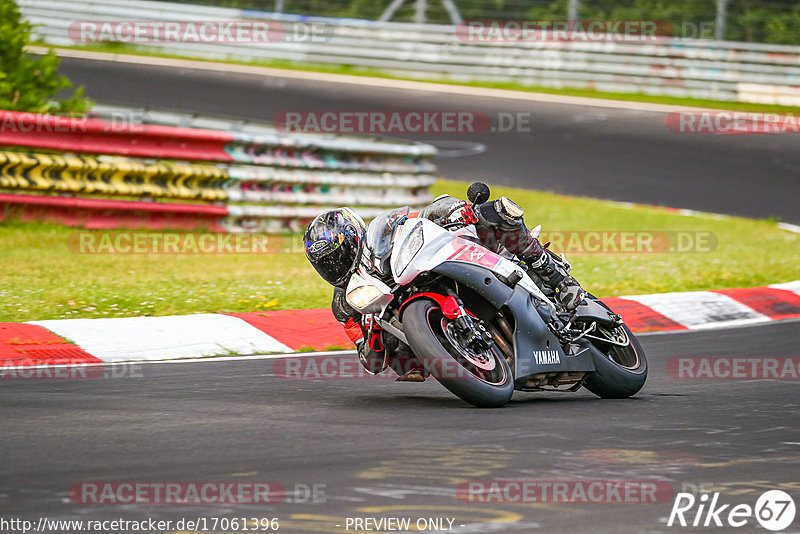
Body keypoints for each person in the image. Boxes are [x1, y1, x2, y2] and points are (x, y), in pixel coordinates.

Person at [303, 191, 585, 379]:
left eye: (336, 258)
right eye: (326, 264)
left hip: (434, 263)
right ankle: (464, 354)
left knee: (495, 212)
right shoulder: (345, 302)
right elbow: (371, 362)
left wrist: (454, 210)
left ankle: (557, 277)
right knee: (400, 360)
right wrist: (372, 330)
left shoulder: (381, 241)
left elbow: (423, 216)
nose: (334, 268)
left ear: (353, 239)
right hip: (415, 320)